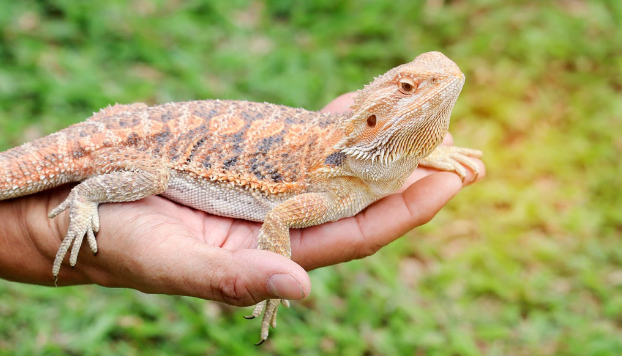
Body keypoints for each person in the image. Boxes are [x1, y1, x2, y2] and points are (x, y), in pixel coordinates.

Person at [0, 93, 485, 307]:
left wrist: (429, 148)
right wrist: (75, 208)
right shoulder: (336, 187)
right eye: (407, 87)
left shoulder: (366, 159)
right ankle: (87, 194)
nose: (427, 91)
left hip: (135, 128)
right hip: (134, 150)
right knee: (152, 174)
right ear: (373, 122)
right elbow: (279, 217)